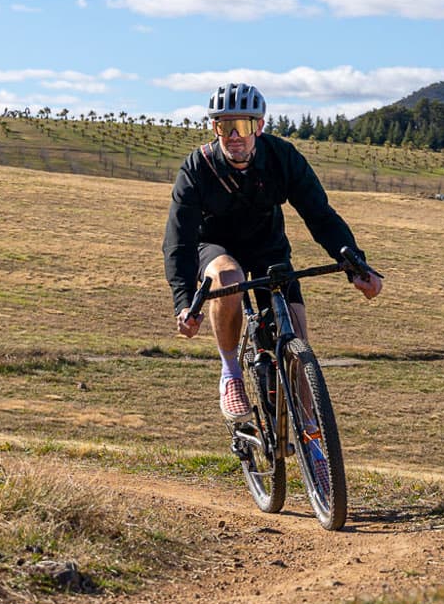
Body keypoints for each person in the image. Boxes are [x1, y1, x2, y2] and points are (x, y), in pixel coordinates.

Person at [163, 82, 383, 422]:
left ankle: (314, 443)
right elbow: (178, 241)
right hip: (215, 246)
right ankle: (231, 373)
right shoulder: (197, 169)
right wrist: (183, 301)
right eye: (225, 125)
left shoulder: (283, 157)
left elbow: (320, 214)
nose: (234, 135)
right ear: (214, 128)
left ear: (260, 126)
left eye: (244, 125)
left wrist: (355, 264)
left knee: (298, 343)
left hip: (268, 247)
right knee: (228, 275)